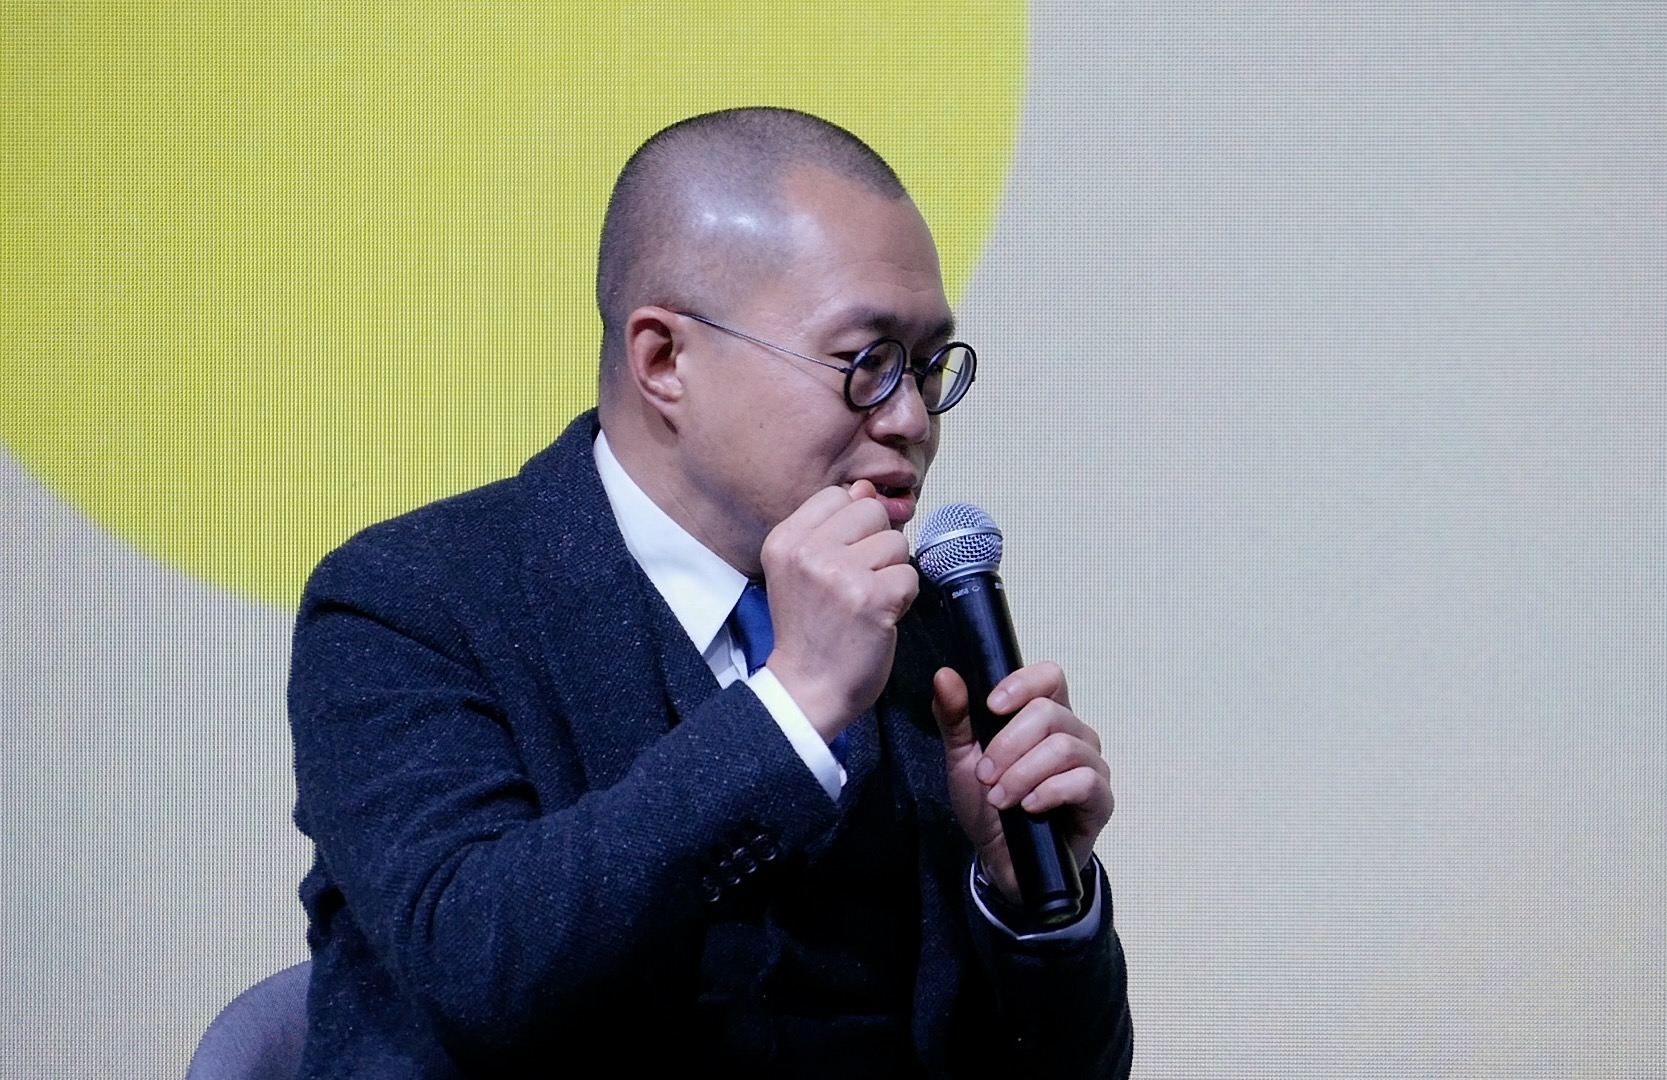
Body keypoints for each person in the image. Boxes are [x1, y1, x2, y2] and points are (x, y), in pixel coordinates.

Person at [288, 107, 1131, 1078]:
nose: (910, 417)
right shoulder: (410, 601)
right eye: (866, 362)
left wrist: (1029, 902)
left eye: (929, 366)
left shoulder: (923, 626)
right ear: (664, 360)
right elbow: (479, 966)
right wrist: (793, 710)